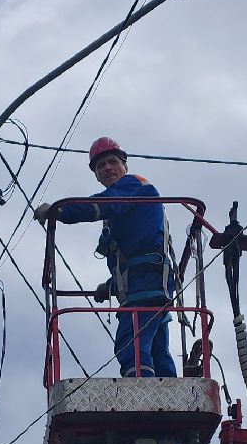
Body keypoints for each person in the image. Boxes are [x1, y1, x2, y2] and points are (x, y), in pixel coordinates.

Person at [33, 137, 178, 377]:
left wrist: (60, 210)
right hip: (146, 282)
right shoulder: (126, 207)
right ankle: (171, 399)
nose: (107, 168)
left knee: (131, 342)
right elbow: (137, 252)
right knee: (155, 348)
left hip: (147, 282)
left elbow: (101, 205)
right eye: (101, 166)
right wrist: (111, 286)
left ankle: (141, 396)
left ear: (125, 167)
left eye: (112, 162)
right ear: (96, 175)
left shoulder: (135, 185)